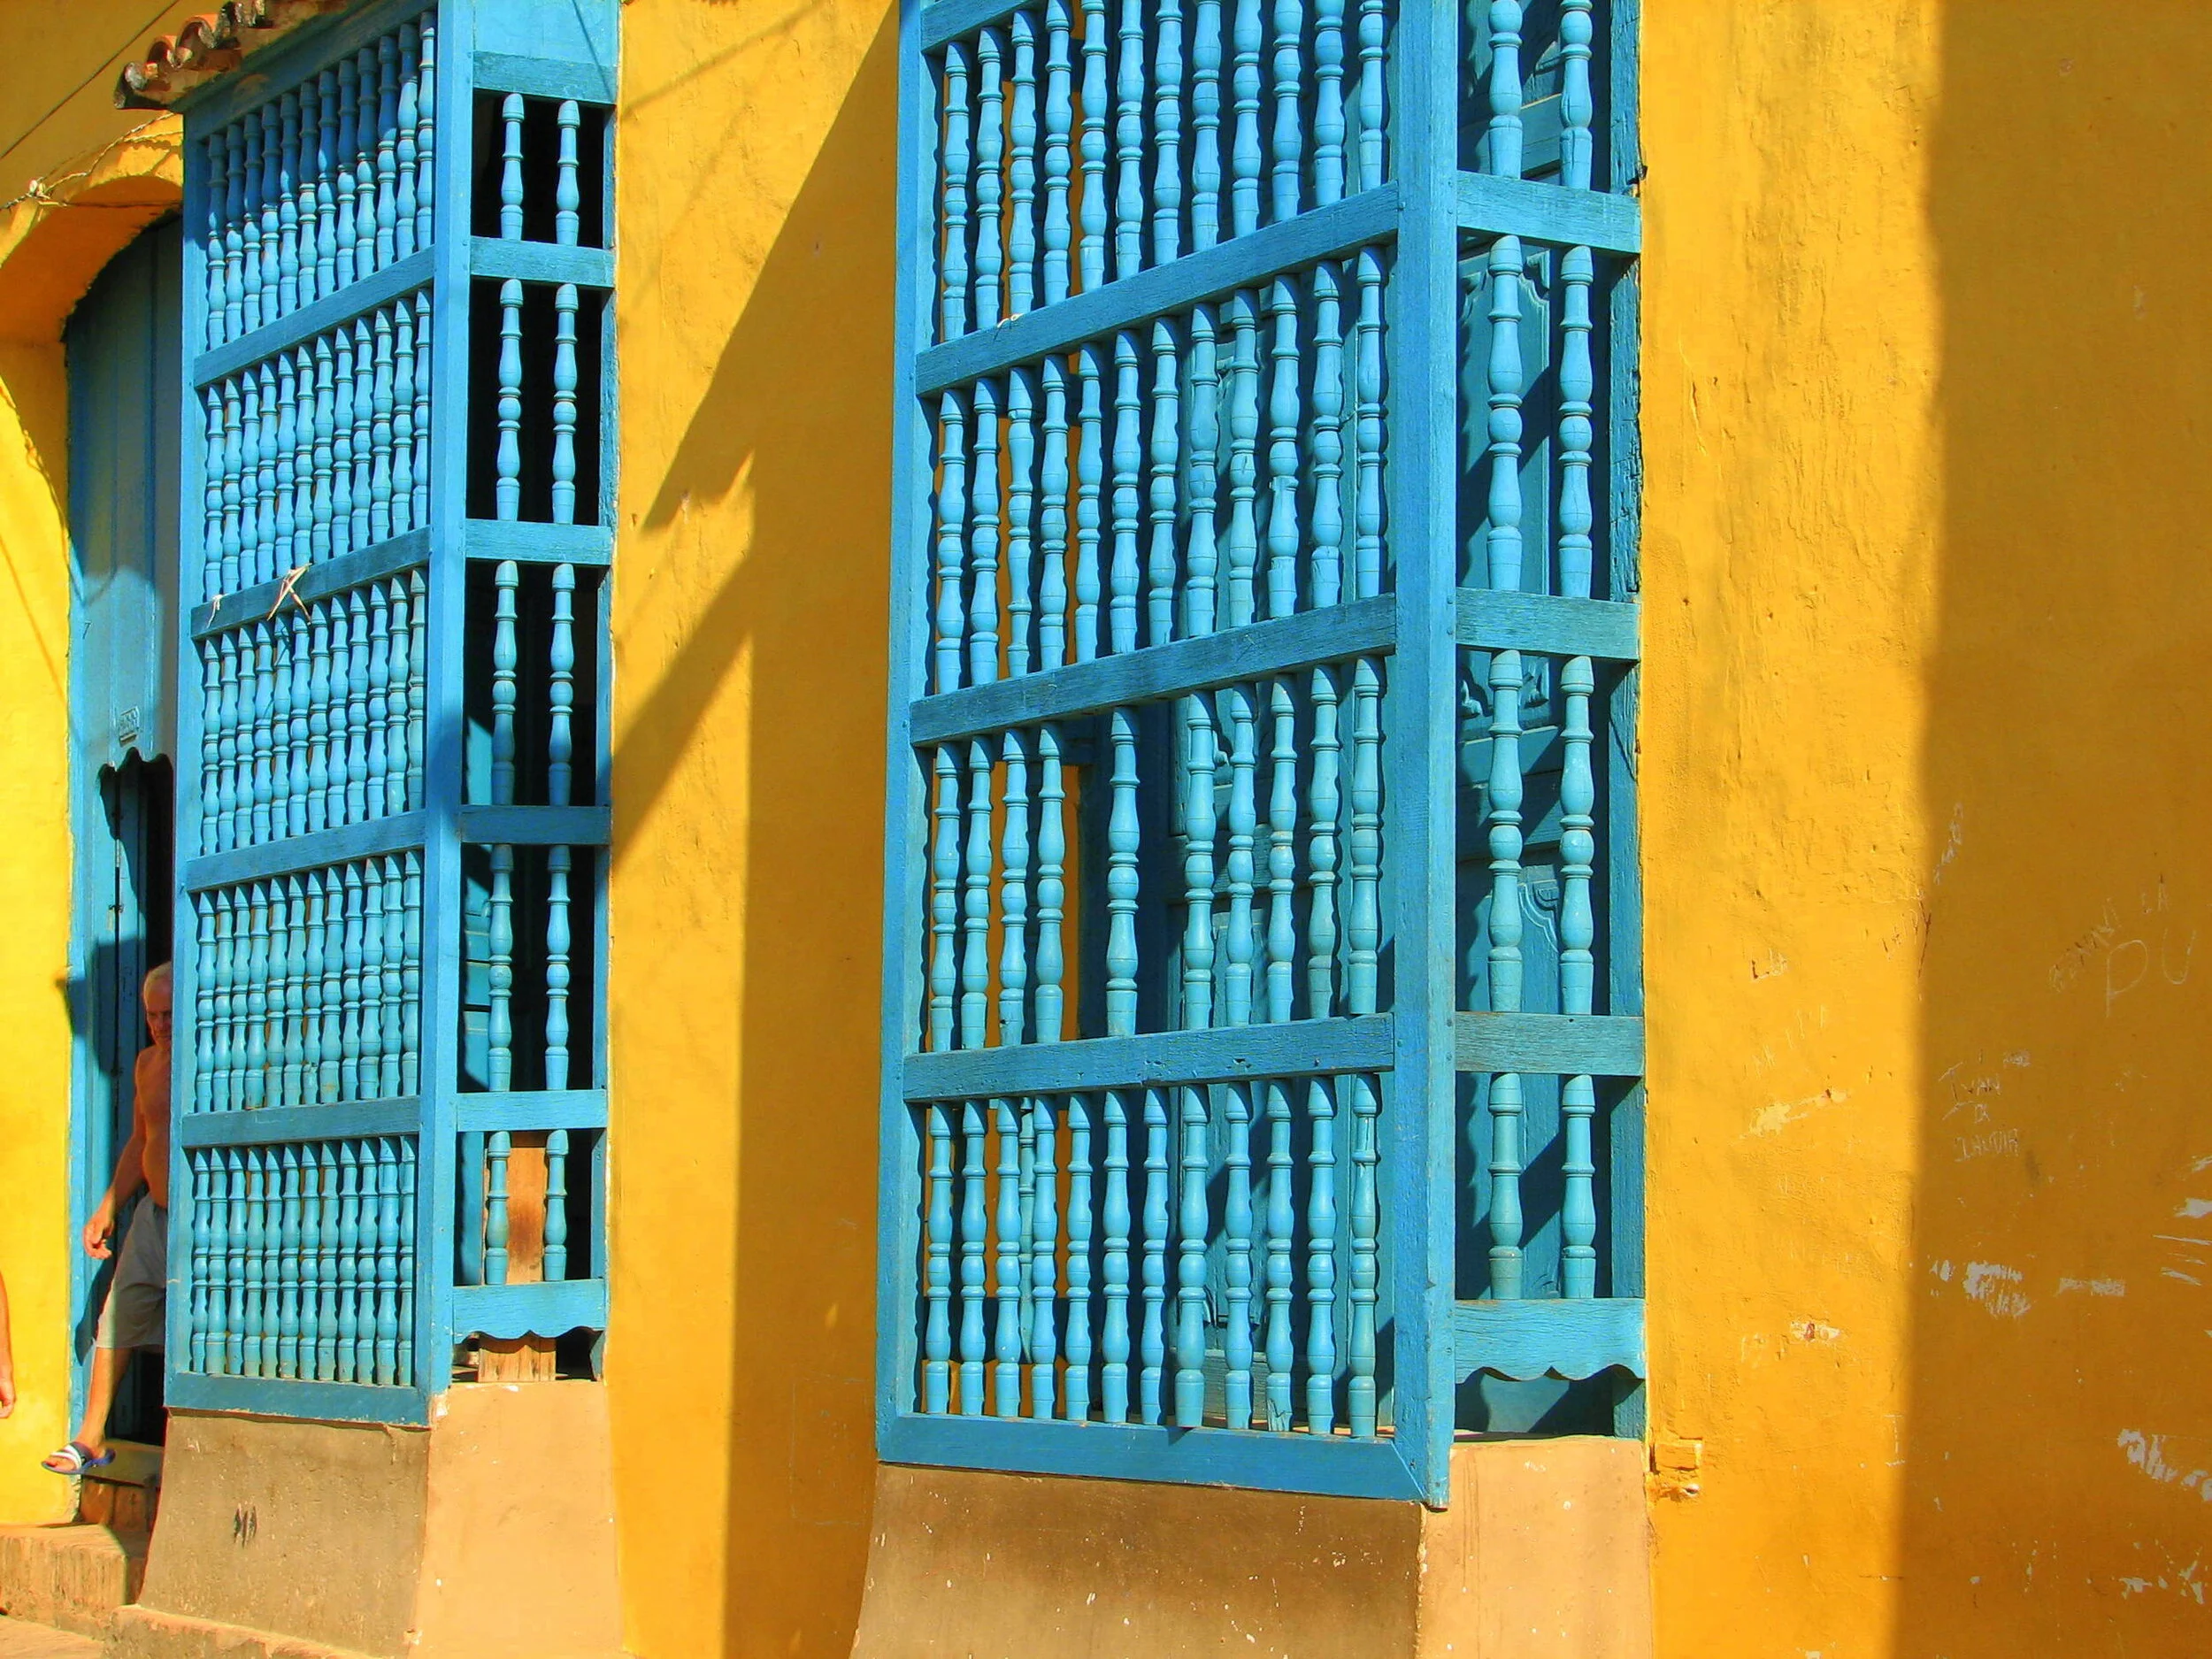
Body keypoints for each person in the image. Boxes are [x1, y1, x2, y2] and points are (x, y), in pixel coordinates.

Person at [42, 962, 171, 1474]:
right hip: (152, 1213)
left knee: (200, 1325)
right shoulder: (146, 1064)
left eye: (169, 1014)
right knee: (117, 1316)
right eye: (152, 1015)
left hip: (200, 1216)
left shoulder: (209, 1059)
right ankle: (89, 1437)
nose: (161, 1025)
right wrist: (105, 1208)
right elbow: (141, 1139)